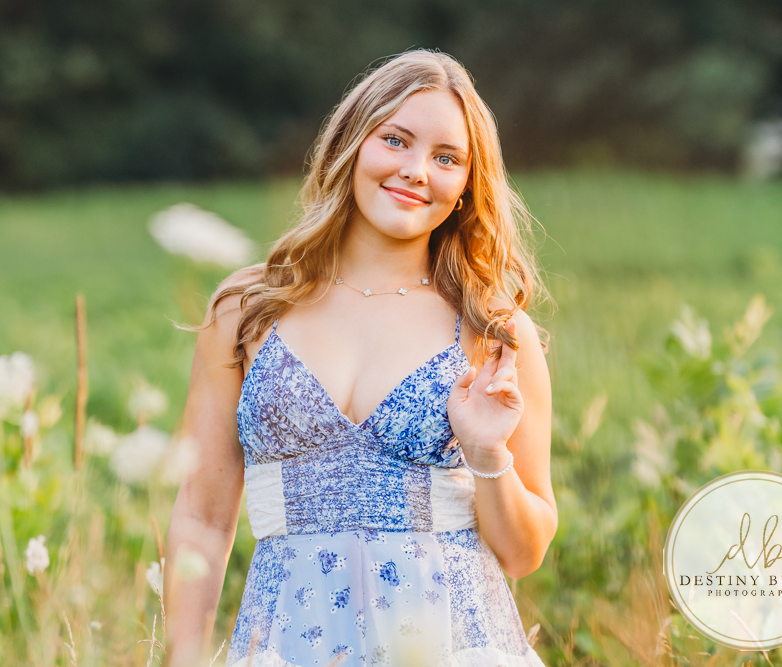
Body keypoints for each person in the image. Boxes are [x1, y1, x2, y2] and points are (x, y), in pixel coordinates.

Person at [165, 49, 557, 667]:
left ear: (465, 188)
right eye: (395, 140)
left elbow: (523, 554)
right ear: (350, 144)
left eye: (447, 158)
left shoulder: (493, 331)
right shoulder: (247, 310)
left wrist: (487, 457)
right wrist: (183, 660)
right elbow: (202, 517)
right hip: (288, 647)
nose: (416, 170)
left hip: (452, 648)